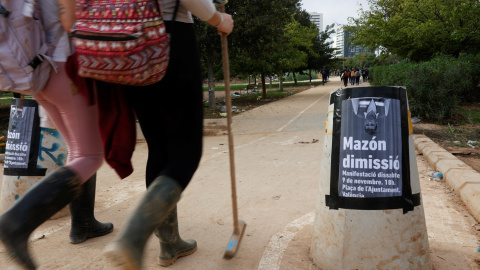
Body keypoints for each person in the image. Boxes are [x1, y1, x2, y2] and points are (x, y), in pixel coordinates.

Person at [102, 0, 234, 269]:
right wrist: (219, 18)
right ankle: (134, 237)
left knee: (159, 149)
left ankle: (169, 242)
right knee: (185, 153)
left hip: (129, 43)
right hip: (169, 38)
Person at [0, 1, 112, 269]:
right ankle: (16, 223)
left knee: (76, 153)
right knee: (91, 157)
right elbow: (69, 21)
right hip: (64, 66)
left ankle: (82, 224)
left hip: (38, 71)